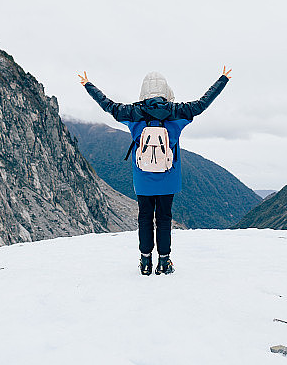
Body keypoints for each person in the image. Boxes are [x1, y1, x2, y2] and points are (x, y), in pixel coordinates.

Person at [78, 67, 232, 275]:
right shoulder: (178, 112)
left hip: (142, 178)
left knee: (144, 218)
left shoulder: (132, 113)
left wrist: (88, 84)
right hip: (169, 176)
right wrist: (222, 79)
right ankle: (164, 262)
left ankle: (145, 262)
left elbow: (108, 105)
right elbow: (203, 103)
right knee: (164, 218)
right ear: (165, 90)